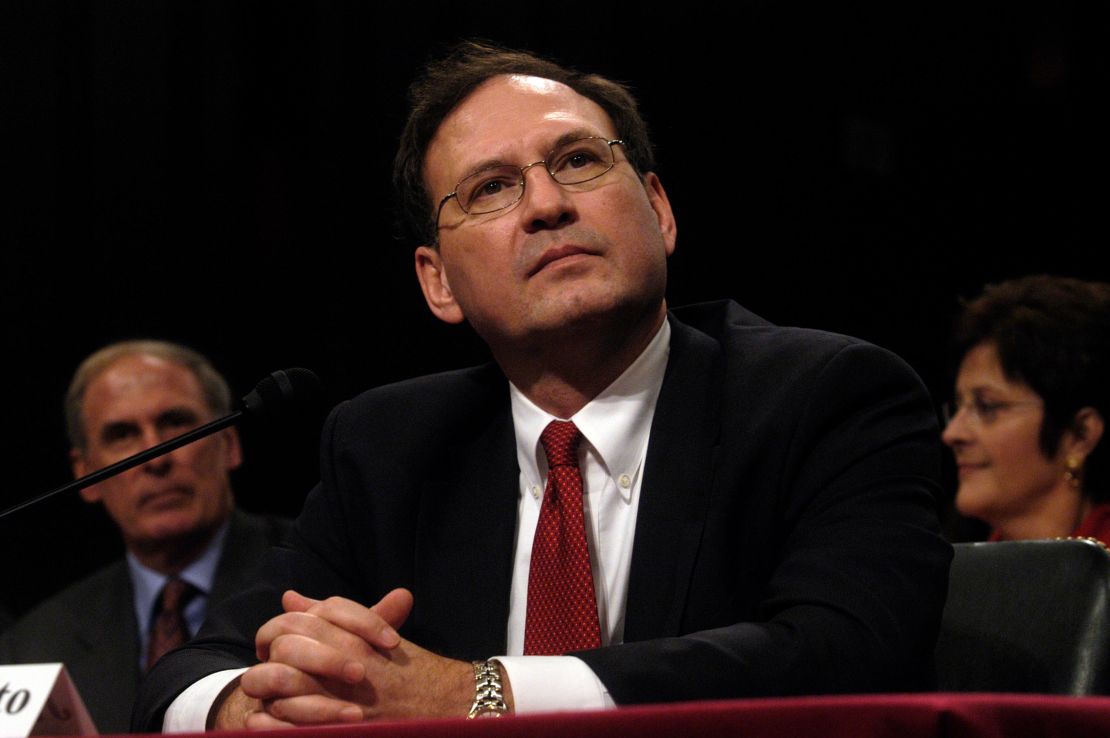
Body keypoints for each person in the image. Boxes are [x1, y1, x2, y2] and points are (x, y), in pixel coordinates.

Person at [135, 41, 951, 732]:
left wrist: (476, 695)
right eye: (491, 188)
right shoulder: (389, 447)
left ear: (659, 211)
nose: (548, 206)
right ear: (438, 284)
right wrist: (248, 706)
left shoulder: (826, 397)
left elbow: (847, 657)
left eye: (578, 161)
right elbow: (194, 665)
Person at [0, 340, 289, 734]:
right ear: (85, 474)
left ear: (229, 444)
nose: (156, 457)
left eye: (176, 423)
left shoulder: (313, 575)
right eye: (122, 435)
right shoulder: (35, 644)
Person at [941, 275, 1110, 543]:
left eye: (987, 407)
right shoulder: (945, 573)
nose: (951, 434)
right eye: (958, 407)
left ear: (1081, 434)